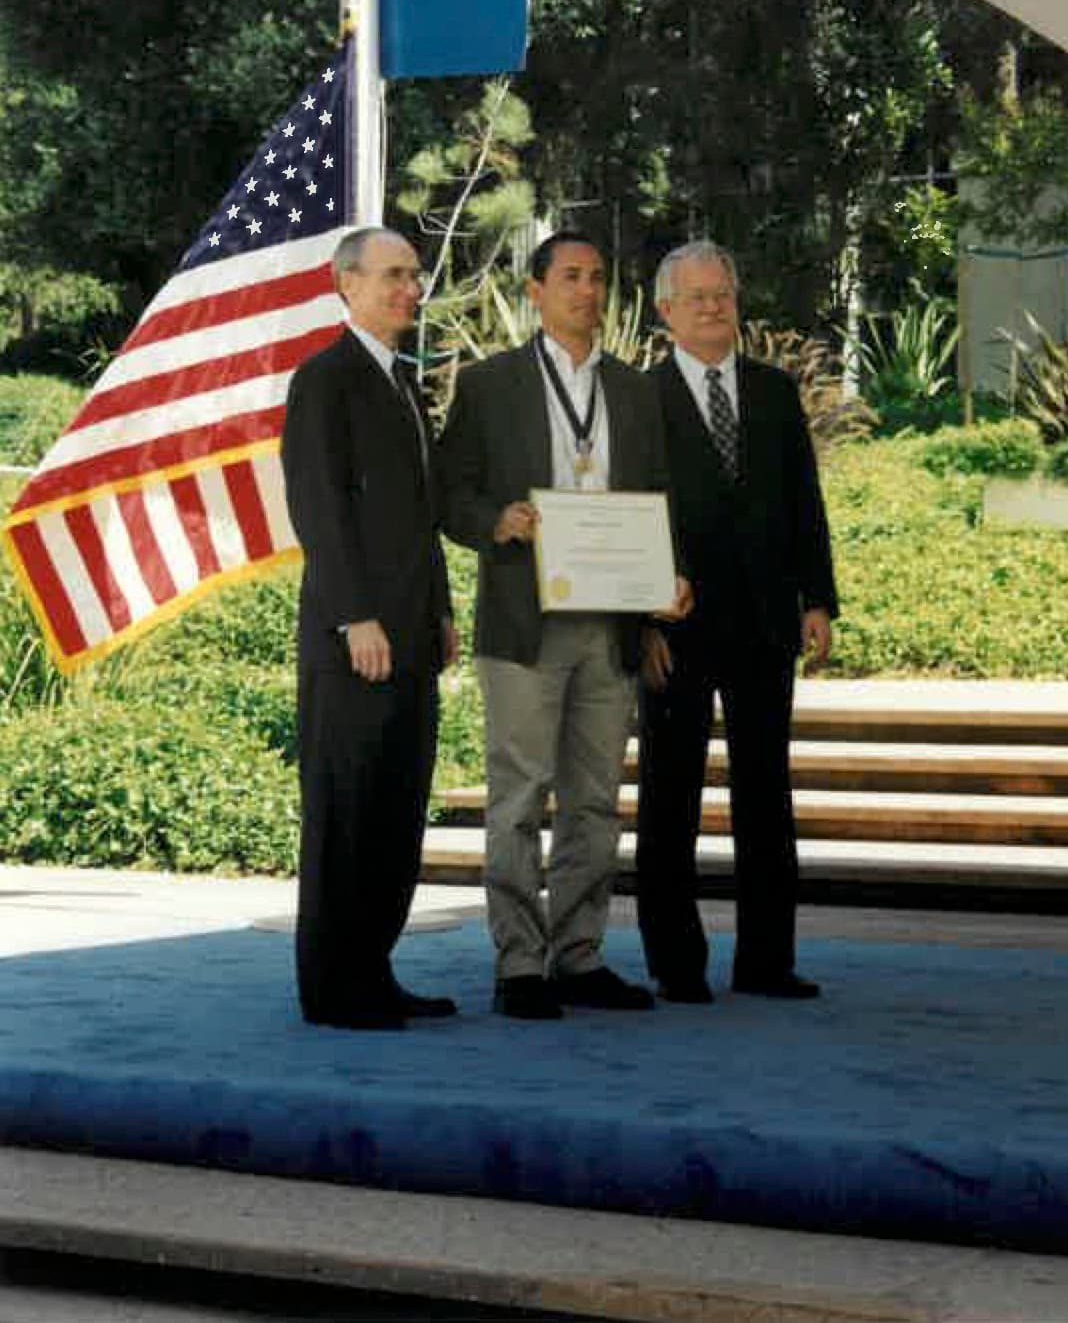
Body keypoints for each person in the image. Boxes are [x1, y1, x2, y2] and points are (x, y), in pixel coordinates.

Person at [439, 231, 689, 1020]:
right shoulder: (489, 385)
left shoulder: (635, 390)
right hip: (522, 620)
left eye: (598, 278)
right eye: (571, 277)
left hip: (611, 626)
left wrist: (661, 594)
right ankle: (518, 963)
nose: (587, 291)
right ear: (534, 293)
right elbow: (447, 494)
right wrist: (496, 521)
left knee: (593, 801)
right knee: (518, 797)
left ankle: (578, 957)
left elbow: (657, 498)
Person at [636, 240, 837, 1004]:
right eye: (696, 297)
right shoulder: (637, 398)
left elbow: (802, 505)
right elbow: (626, 513)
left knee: (764, 795)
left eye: (722, 293)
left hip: (764, 623)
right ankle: (675, 963)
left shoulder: (775, 393)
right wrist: (639, 621)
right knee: (669, 795)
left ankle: (766, 961)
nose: (713, 306)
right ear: (664, 312)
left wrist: (815, 599)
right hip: (672, 627)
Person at [281, 225, 458, 1031]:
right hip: (352, 641)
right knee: (346, 817)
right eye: (389, 276)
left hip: (412, 638)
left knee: (394, 815)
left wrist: (442, 611)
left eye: (412, 276)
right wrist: (357, 615)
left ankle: (373, 971)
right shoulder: (325, 380)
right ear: (344, 285)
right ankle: (331, 988)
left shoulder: (401, 382)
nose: (405, 290)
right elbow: (319, 508)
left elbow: (418, 519)